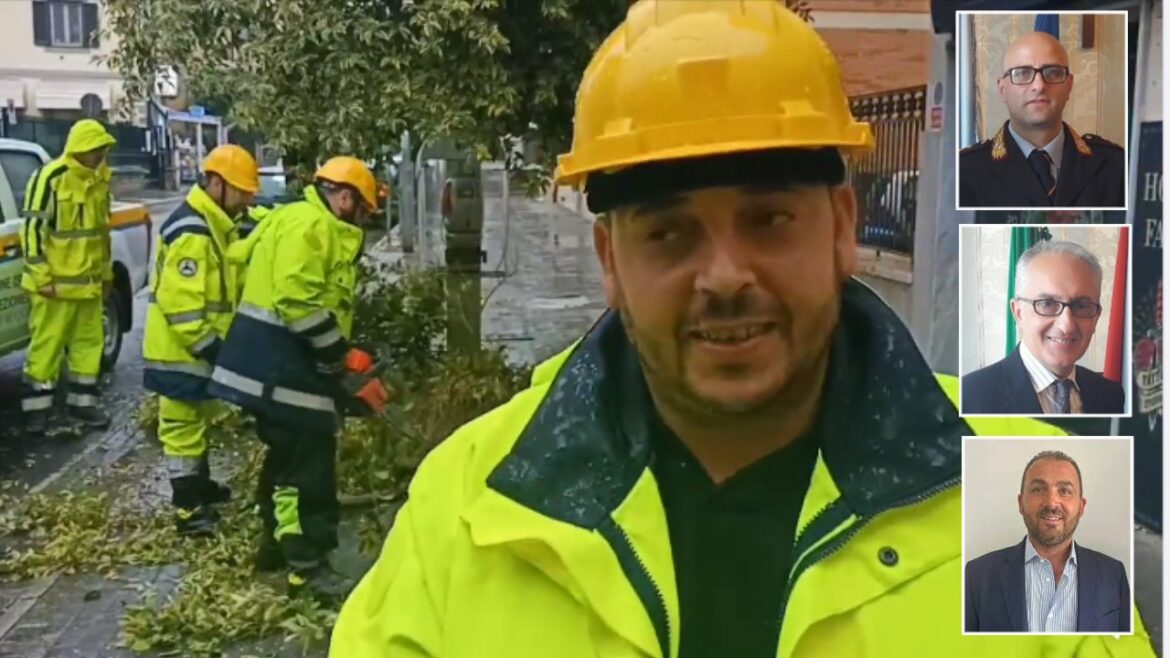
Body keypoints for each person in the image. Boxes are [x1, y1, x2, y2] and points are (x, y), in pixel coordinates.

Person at [329, 3, 1152, 657]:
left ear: (839, 228)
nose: (725, 275)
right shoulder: (475, 501)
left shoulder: (1033, 485)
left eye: (767, 219)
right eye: (670, 232)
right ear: (610, 258)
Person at [207, 156, 389, 601]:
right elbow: (299, 304)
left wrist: (339, 366)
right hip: (278, 367)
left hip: (270, 364)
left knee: (286, 457)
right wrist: (343, 356)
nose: (363, 221)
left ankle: (273, 545)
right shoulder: (313, 227)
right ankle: (305, 566)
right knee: (308, 468)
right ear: (345, 199)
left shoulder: (296, 218)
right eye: (363, 211)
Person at [143, 144, 260, 536]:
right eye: (240, 192)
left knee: (198, 422)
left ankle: (201, 488)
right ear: (215, 184)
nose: (245, 201)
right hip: (182, 353)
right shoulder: (192, 232)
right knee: (182, 428)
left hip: (194, 351)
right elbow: (183, 308)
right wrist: (212, 348)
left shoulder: (214, 223)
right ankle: (188, 510)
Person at [18, 119, 117, 434]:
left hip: (88, 286)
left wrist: (106, 274)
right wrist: (42, 277)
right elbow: (32, 230)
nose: (101, 155)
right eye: (96, 149)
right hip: (55, 288)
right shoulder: (51, 177)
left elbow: (101, 233)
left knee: (89, 346)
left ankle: (82, 405)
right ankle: (37, 411)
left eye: (103, 149)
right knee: (46, 347)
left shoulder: (100, 180)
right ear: (80, 150)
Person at [965, 450, 1130, 633]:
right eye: (1039, 490)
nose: (1051, 503)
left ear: (1081, 507)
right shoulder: (977, 576)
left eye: (1065, 491)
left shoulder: (1114, 575)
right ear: (1021, 503)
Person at [959, 32, 1125, 208]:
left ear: (1069, 85)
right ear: (1003, 89)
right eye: (1022, 73)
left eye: (1052, 73)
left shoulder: (1116, 165)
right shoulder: (965, 170)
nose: (1039, 86)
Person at [963, 240, 1124, 414]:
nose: (1066, 326)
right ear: (1018, 312)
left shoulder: (1111, 395)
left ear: (1096, 318)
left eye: (1081, 306)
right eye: (1047, 304)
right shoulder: (969, 397)